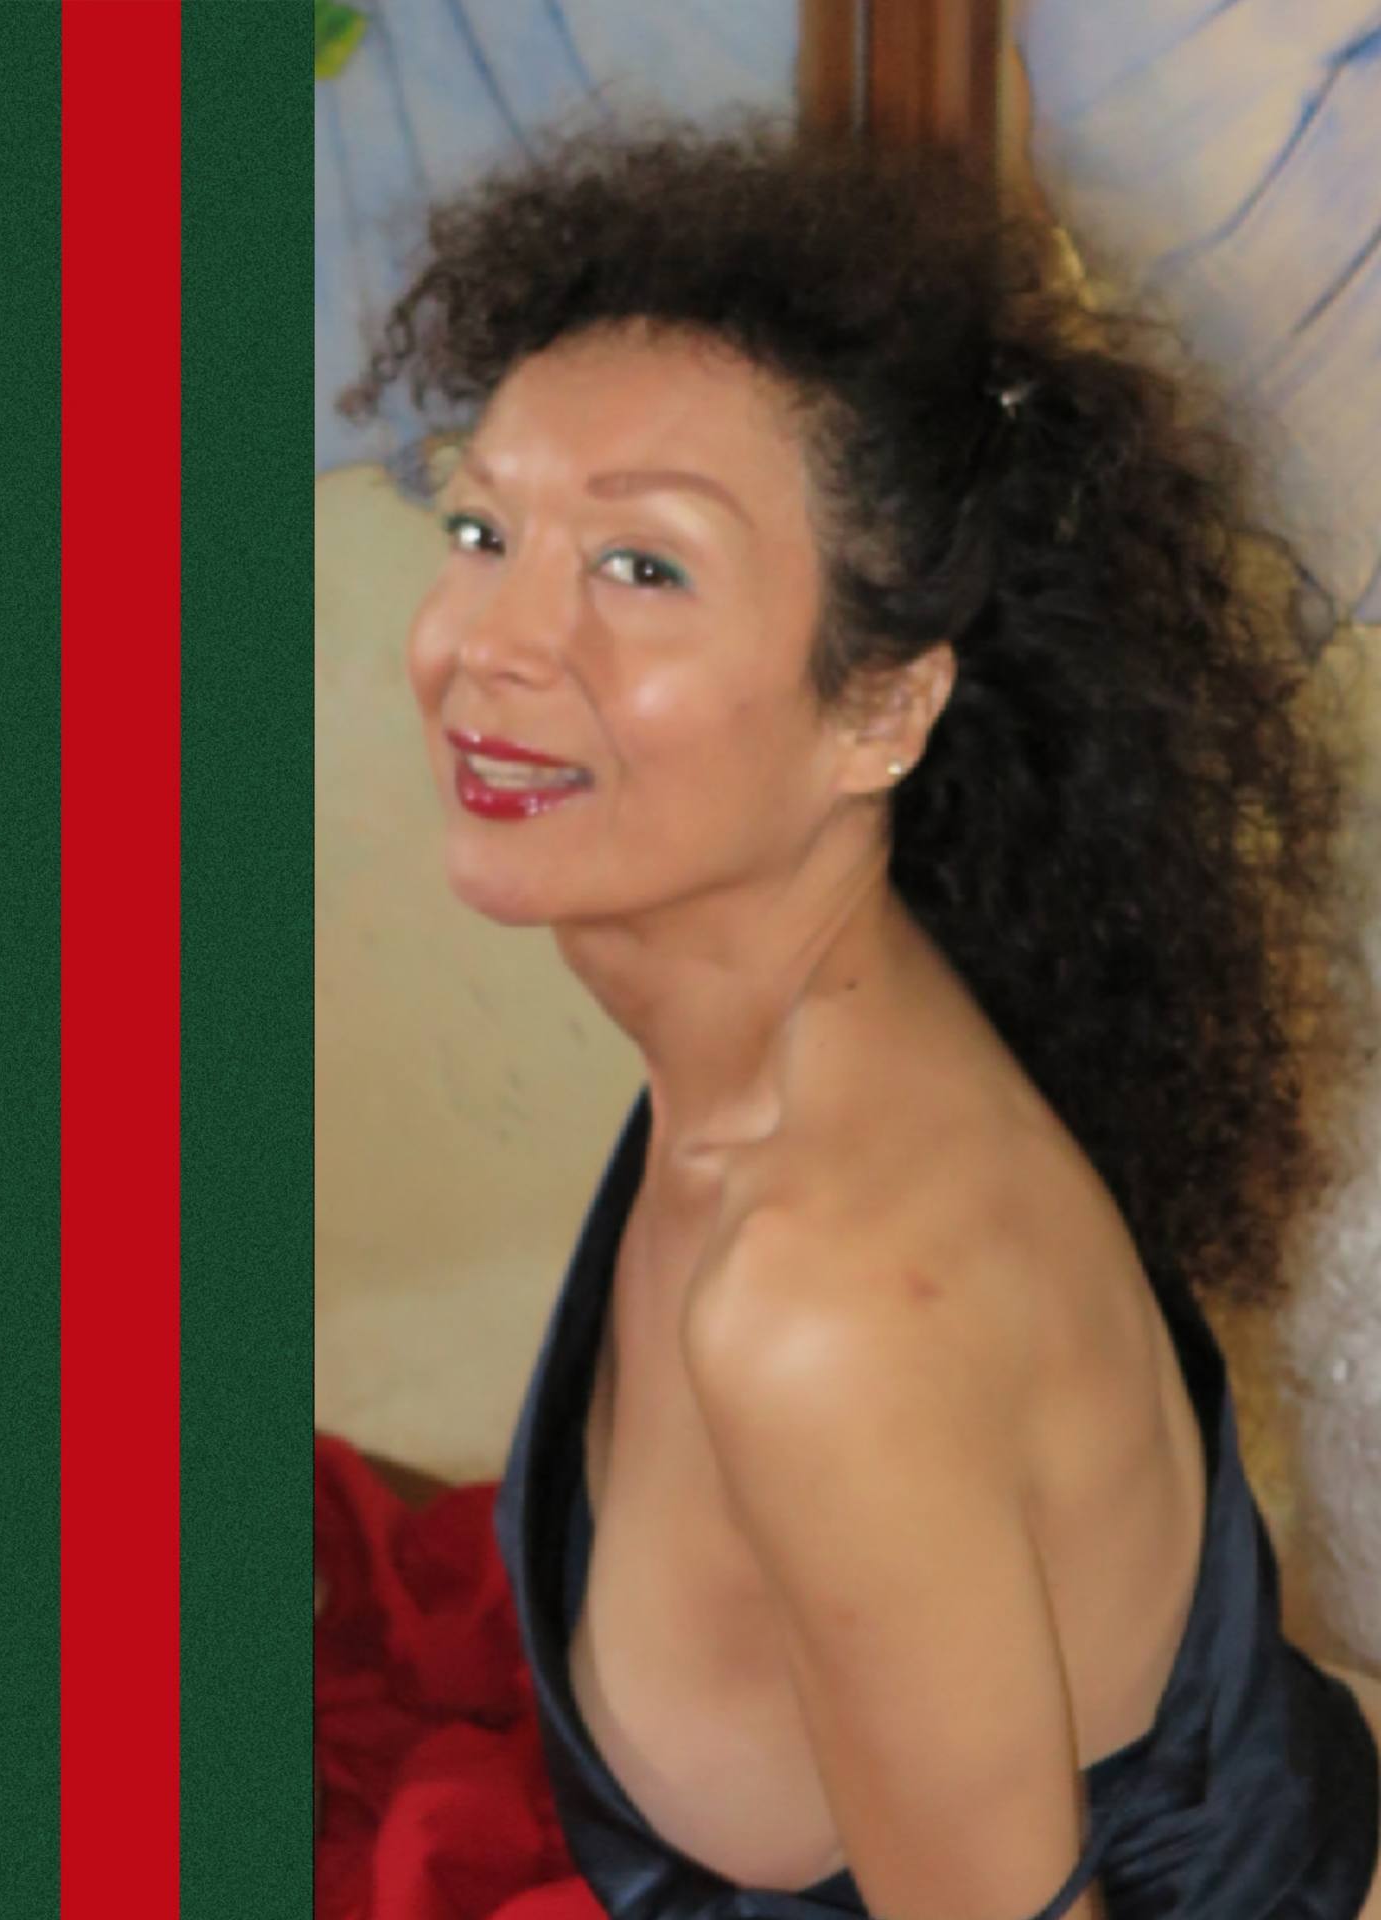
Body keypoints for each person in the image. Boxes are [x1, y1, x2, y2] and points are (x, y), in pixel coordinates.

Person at [330, 125, 1381, 1919]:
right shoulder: (805, 1042)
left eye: (643, 568)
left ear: (882, 712)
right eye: (485, 528)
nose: (492, 639)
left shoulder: (825, 1318)